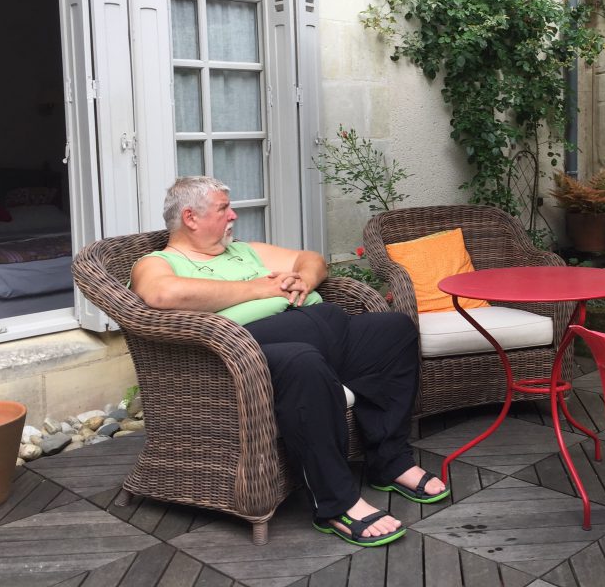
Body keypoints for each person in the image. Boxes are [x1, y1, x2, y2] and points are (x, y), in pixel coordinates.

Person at [131, 176, 447, 547]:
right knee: (303, 362)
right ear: (190, 217)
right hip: (253, 351)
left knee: (394, 330)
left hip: (329, 328)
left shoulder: (245, 251)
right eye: (223, 209)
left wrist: (304, 280)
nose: (233, 215)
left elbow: (310, 259)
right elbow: (161, 294)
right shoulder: (160, 262)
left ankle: (390, 462)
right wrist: (257, 288)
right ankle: (337, 504)